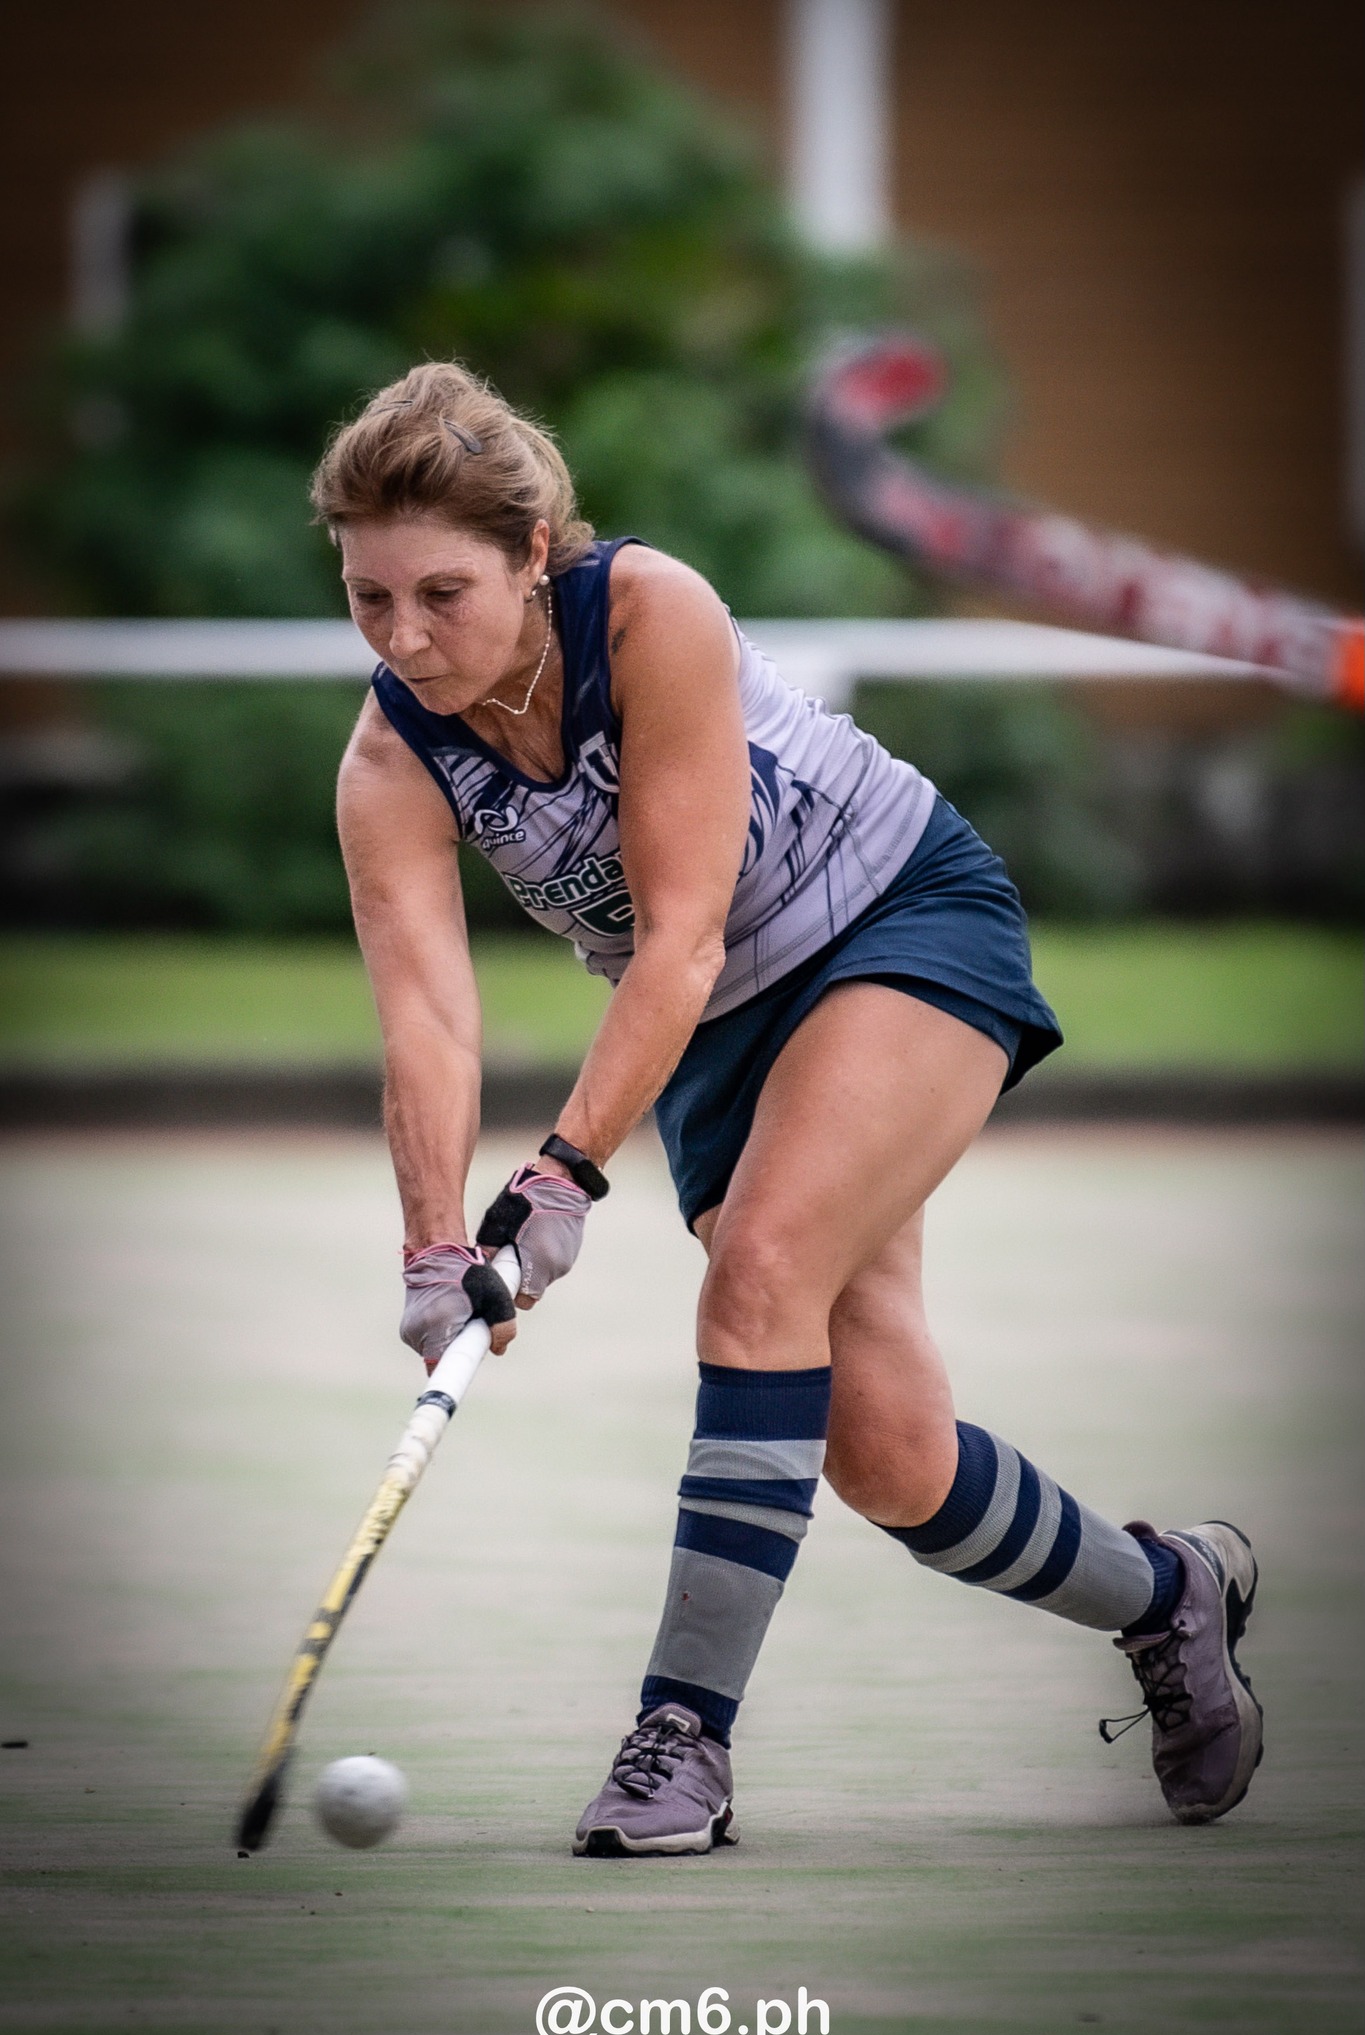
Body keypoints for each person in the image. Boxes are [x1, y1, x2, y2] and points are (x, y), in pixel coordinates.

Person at [318, 362, 1264, 1858]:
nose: (405, 634)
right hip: (716, 1027)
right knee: (886, 1451)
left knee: (755, 1275)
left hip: (894, 920)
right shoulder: (391, 760)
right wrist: (436, 1250)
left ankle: (679, 1740)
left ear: (531, 555)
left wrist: (561, 1179)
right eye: (369, 599)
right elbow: (429, 1023)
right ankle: (1168, 1595)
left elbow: (681, 931)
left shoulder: (645, 613)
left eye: (441, 592)